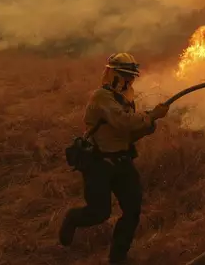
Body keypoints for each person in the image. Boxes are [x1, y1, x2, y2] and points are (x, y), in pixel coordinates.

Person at [59, 53, 169, 264]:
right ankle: (73, 218)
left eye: (131, 76)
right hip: (98, 164)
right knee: (99, 213)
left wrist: (147, 126)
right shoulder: (102, 97)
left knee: (133, 210)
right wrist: (151, 116)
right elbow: (123, 122)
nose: (129, 80)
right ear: (112, 73)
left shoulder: (126, 99)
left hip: (122, 161)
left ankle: (118, 258)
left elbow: (128, 133)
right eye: (124, 75)